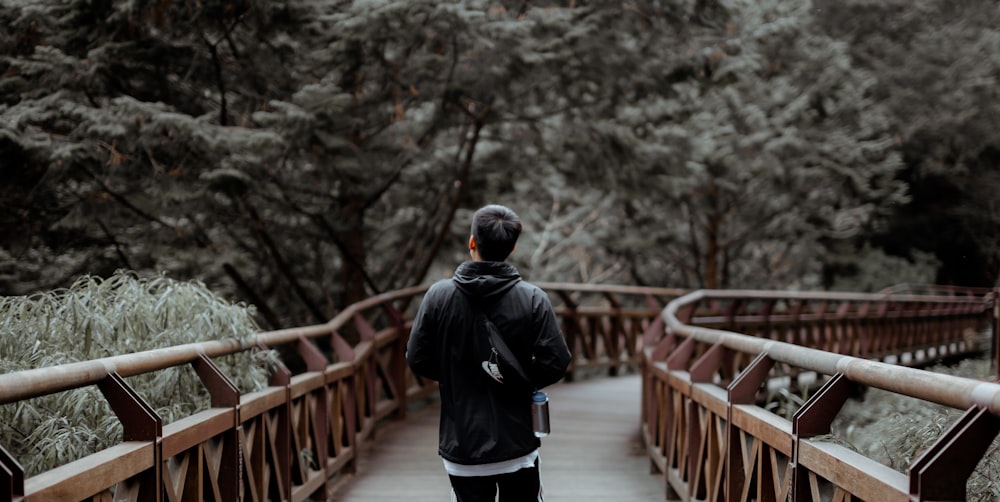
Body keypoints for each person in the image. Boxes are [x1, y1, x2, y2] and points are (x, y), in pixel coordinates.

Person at [406, 204, 572, 502]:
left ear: (472, 242)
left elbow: (417, 357)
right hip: (517, 442)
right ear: (513, 247)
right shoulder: (532, 298)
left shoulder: (439, 296)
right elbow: (557, 361)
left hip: (462, 443)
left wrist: (456, 376)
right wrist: (517, 379)